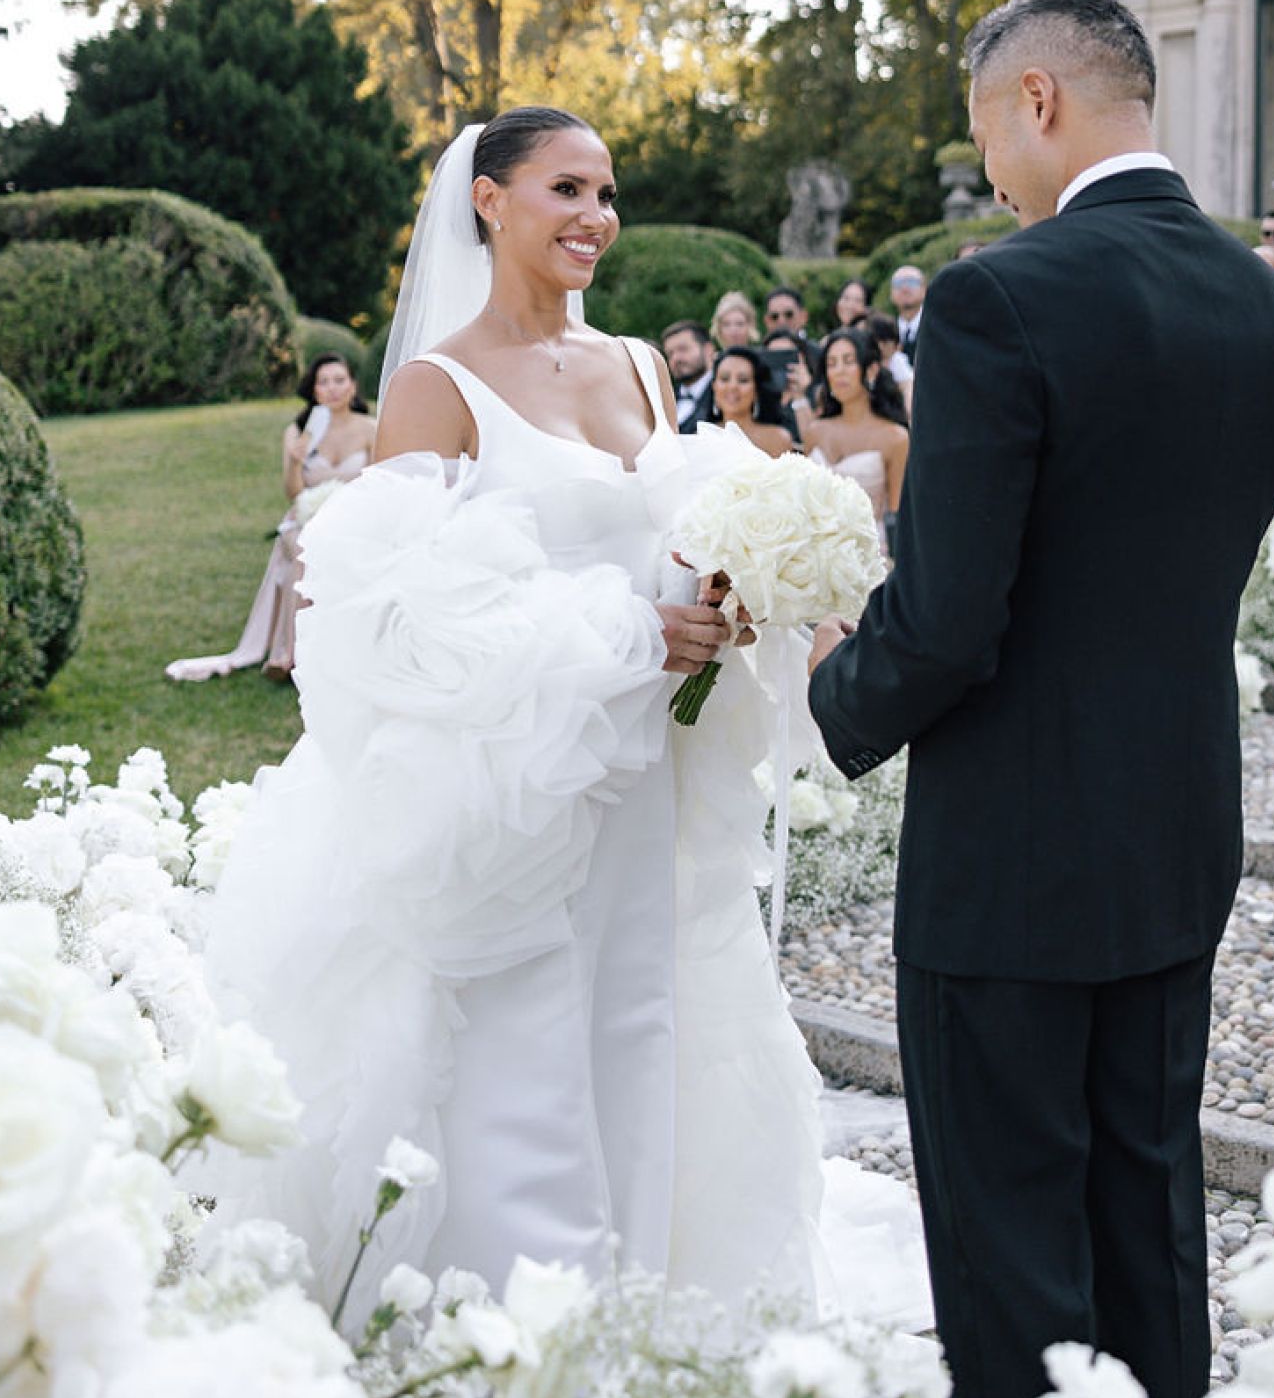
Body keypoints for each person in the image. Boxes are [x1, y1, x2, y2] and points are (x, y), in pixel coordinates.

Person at [200, 106, 925, 1332]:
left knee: (643, 1019)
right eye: (566, 190)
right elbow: (399, 623)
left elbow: (676, 533)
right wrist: (627, 636)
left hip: (653, 779)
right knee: (525, 1042)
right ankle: (524, 1319)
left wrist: (727, 591)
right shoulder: (438, 391)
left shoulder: (641, 364)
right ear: (488, 201)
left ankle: (650, 1293)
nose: (596, 216)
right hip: (514, 787)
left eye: (606, 192)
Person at [807, 0, 1274, 1398]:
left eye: (987, 139)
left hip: (1012, 842)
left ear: (1040, 100)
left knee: (1009, 1209)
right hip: (1175, 815)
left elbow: (955, 618)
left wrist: (840, 677)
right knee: (1145, 1184)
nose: (992, 178)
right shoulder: (1257, 297)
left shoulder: (997, 294)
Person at [166, 352, 376, 684]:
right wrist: (295, 463)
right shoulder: (299, 431)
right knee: (305, 551)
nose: (333, 389)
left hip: (356, 523)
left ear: (353, 386)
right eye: (324, 382)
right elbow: (294, 493)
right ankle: (289, 656)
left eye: (340, 380)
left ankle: (325, 653)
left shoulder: (370, 429)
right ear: (313, 390)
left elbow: (379, 484)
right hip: (306, 519)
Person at [803, 324, 908, 555]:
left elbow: (899, 515)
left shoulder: (896, 438)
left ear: (870, 370)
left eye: (848, 361)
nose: (839, 371)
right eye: (831, 363)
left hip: (872, 556)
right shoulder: (815, 431)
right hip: (813, 555)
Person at [711, 345, 797, 457]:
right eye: (724, 378)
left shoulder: (777, 438)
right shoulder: (700, 436)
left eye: (743, 380)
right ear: (714, 387)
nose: (732, 386)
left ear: (756, 390)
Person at [662, 320, 717, 431]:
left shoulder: (726, 394)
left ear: (708, 350)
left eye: (683, 349)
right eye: (670, 353)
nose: (676, 358)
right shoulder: (665, 400)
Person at [889, 264, 927, 359]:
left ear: (924, 289)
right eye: (898, 284)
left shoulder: (936, 327)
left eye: (912, 282)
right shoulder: (886, 331)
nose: (905, 288)